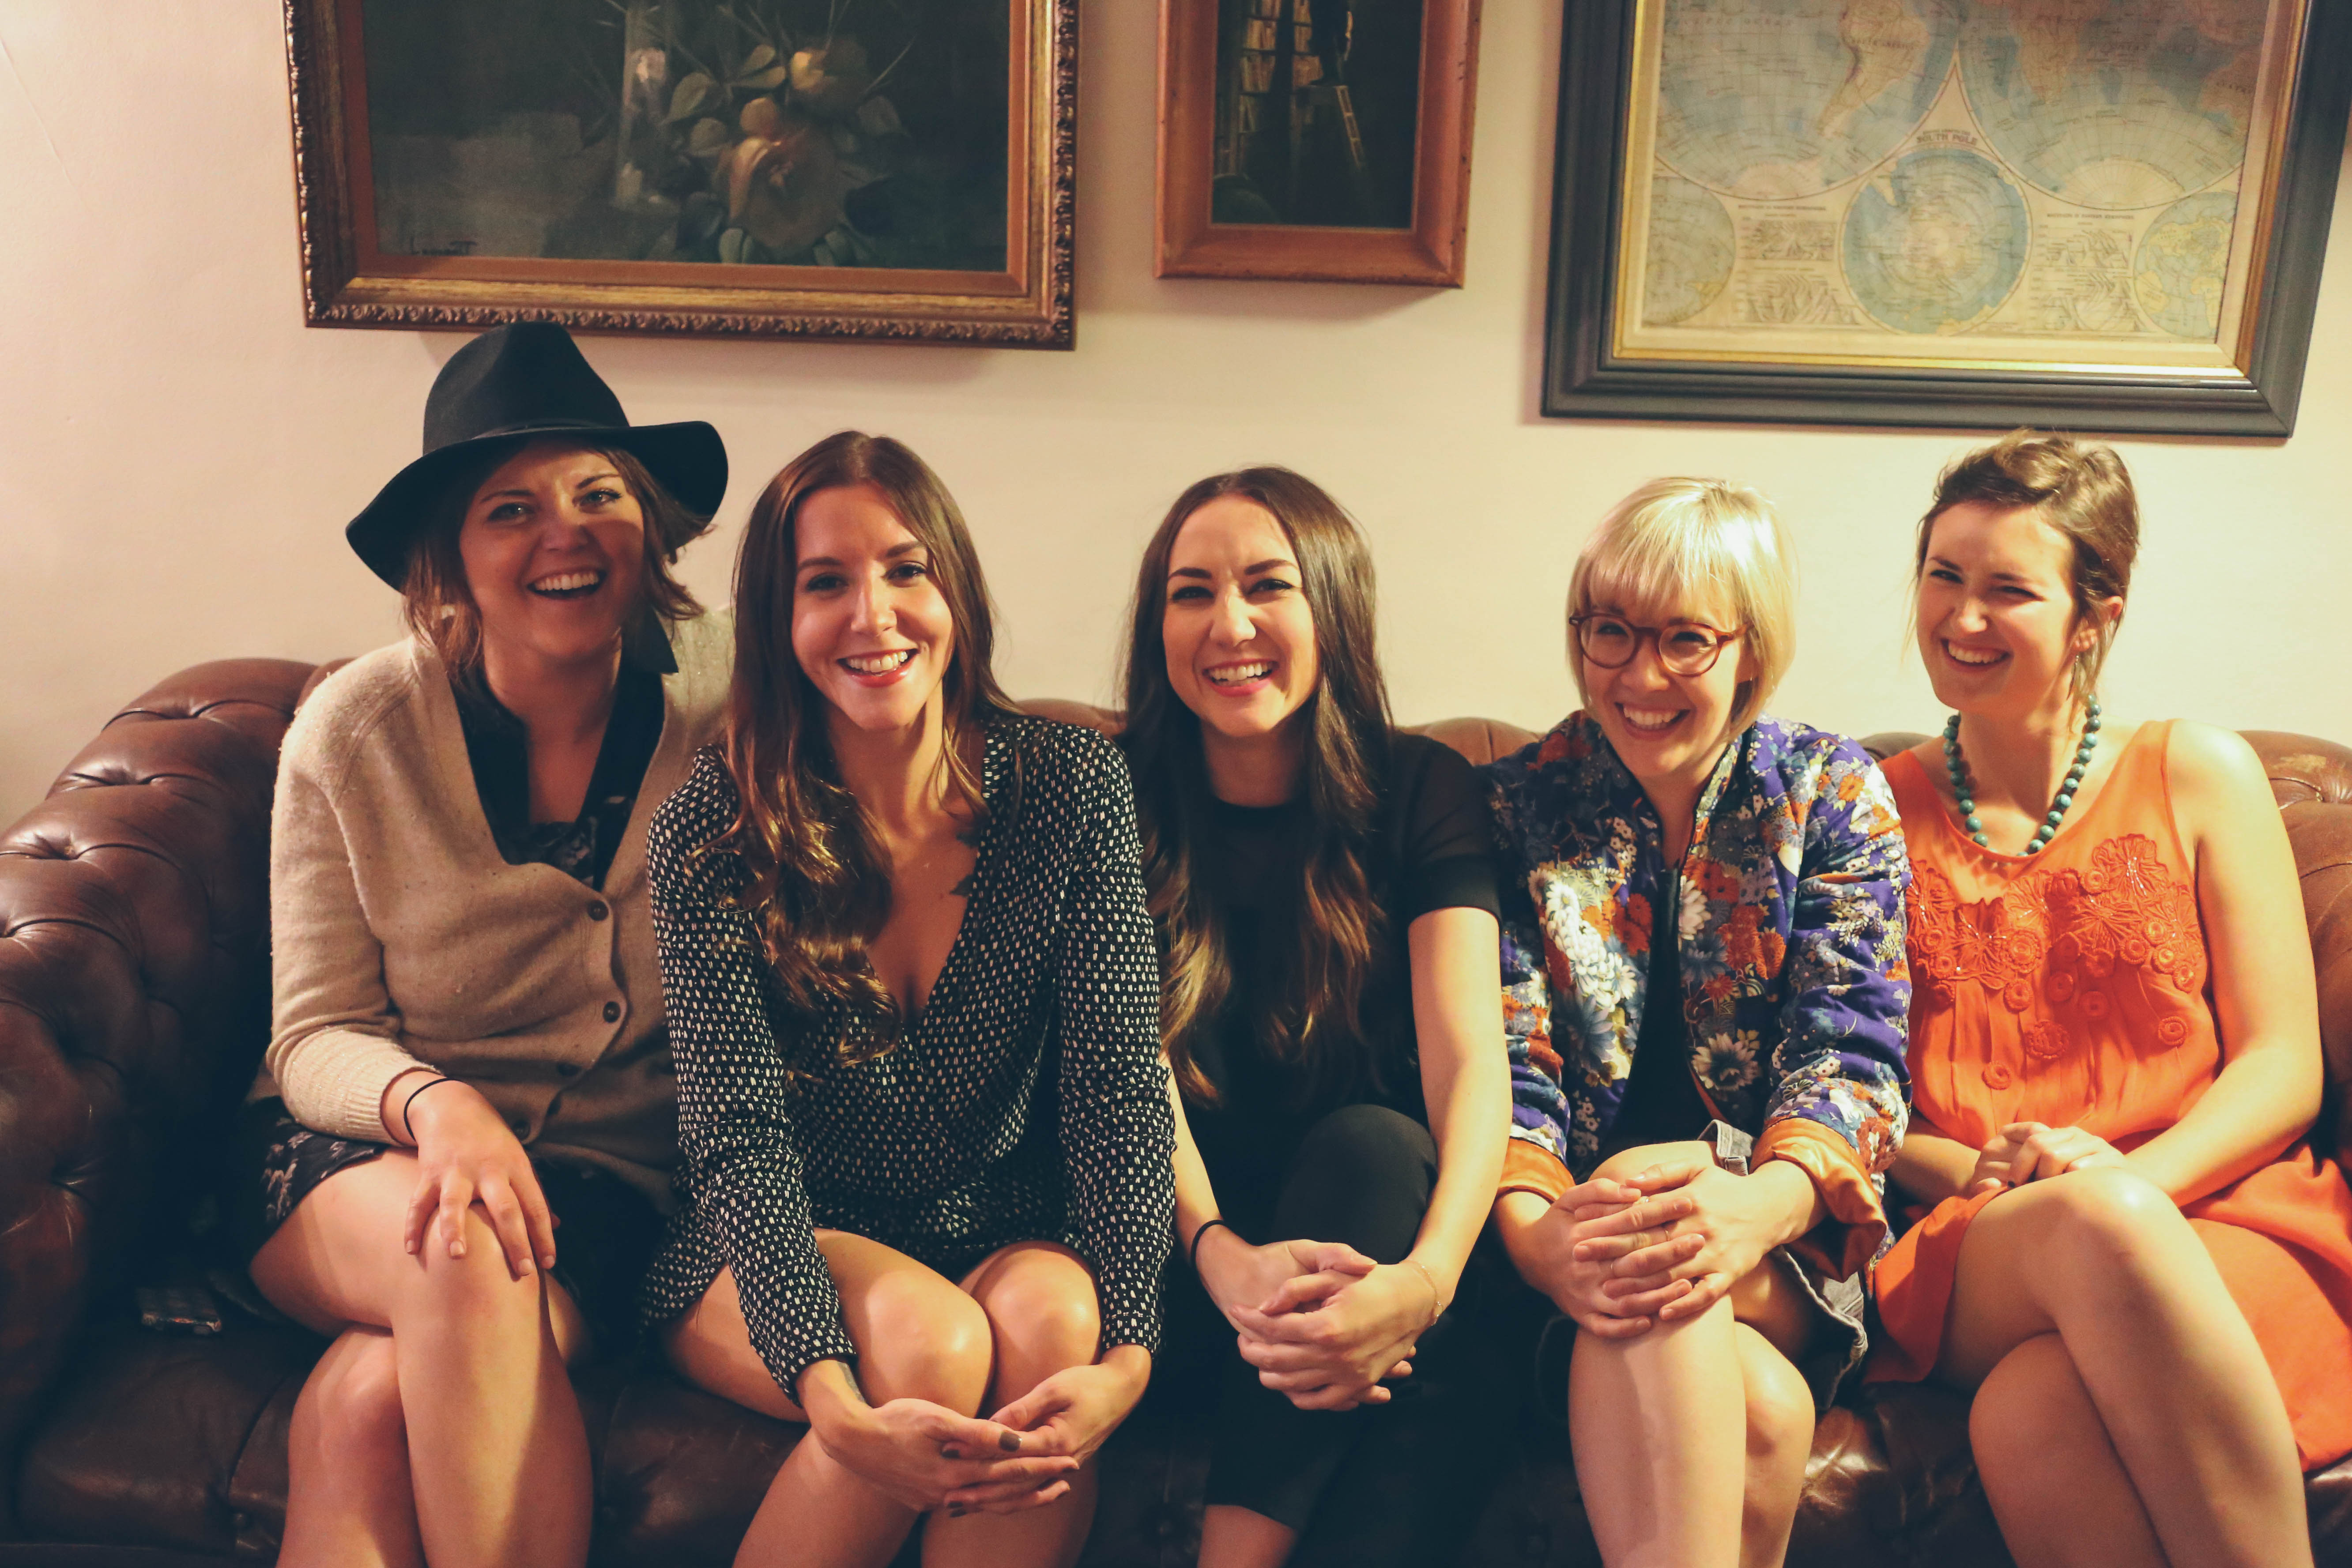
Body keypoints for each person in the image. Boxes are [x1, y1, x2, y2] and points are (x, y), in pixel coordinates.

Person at [640, 431, 1175, 1568]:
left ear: (956, 592)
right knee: (931, 1346)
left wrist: (1130, 1356)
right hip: (771, 1236)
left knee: (1059, 1325)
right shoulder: (712, 828)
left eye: (905, 569)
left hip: (1000, 1224)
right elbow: (737, 1141)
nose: (873, 615)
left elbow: (1120, 1092)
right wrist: (836, 1405)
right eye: (825, 583)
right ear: (777, 622)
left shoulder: (1074, 787)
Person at [251, 321, 734, 1568]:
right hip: (363, 1154)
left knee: (370, 1397)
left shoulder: (733, 706)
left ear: (650, 529)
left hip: (602, 1194)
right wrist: (440, 1109)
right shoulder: (355, 731)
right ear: (449, 560)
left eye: (599, 494)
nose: (564, 533)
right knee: (457, 1243)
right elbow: (314, 1035)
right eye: (510, 510)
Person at [1867, 431, 2352, 1568]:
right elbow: (1864, 1099)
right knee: (2089, 1233)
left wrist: (2129, 1191)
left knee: (2032, 1410)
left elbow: (2284, 1063)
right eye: (1943, 575)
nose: (1962, 616)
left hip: (2221, 1207)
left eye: (2009, 589)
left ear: (2097, 616)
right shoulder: (1867, 809)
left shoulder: (2204, 773)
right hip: (1983, 1233)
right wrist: (1988, 1174)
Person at [1485, 479, 1912, 1568]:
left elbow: (1853, 1047)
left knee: (1659, 1223)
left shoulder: (1830, 790)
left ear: (1750, 650)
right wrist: (1535, 1241)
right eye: (1611, 632)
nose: (1639, 676)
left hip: (1782, 1236)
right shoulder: (1514, 805)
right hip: (1575, 1232)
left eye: (1684, 640)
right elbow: (1509, 1057)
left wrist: (1757, 1207)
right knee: (1760, 1408)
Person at [1116, 467, 1514, 1568]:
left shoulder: (1421, 785)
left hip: (1377, 1246)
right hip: (1183, 1257)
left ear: (1331, 608)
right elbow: (1128, 1068)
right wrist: (1219, 1253)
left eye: (1267, 586)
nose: (1229, 624)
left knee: (1377, 1157)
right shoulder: (1110, 793)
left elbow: (1470, 1059)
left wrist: (1424, 1285)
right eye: (1191, 592)